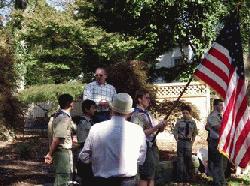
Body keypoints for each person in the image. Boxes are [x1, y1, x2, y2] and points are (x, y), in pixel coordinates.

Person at [79, 93, 147, 186]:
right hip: (128, 180)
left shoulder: (96, 128)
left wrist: (99, 160)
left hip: (102, 180)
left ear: (111, 109)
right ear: (129, 112)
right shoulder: (137, 130)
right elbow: (141, 159)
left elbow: (84, 156)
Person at [130, 90, 167, 186]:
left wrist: (162, 125)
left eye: (149, 98)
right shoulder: (136, 114)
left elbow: (158, 129)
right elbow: (139, 133)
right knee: (145, 175)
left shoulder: (148, 114)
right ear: (139, 99)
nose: (149, 100)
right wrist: (156, 127)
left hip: (153, 146)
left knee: (152, 173)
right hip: (144, 147)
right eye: (146, 98)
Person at [45, 93, 76, 186]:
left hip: (62, 152)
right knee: (63, 180)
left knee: (64, 179)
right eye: (72, 102)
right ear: (69, 103)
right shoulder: (63, 118)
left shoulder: (59, 116)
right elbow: (57, 138)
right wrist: (49, 154)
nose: (73, 103)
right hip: (63, 152)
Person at [173, 105, 198, 182]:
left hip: (188, 142)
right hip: (181, 141)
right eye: (183, 113)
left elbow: (195, 132)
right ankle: (180, 179)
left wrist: (192, 141)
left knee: (188, 160)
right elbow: (175, 131)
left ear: (190, 113)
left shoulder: (193, 122)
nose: (185, 114)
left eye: (187, 113)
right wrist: (177, 139)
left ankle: (187, 179)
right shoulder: (179, 122)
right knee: (180, 161)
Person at [206, 99, 227, 186]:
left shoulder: (222, 115)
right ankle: (217, 182)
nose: (222, 107)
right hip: (215, 142)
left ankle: (222, 181)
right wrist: (227, 123)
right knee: (216, 162)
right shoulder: (212, 116)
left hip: (222, 141)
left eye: (223, 105)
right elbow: (218, 128)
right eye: (220, 105)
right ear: (215, 106)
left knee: (222, 162)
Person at [76, 99, 96, 185]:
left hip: (90, 154)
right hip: (84, 154)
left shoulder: (91, 121)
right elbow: (82, 140)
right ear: (86, 109)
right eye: (93, 108)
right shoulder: (83, 122)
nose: (95, 110)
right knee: (85, 179)